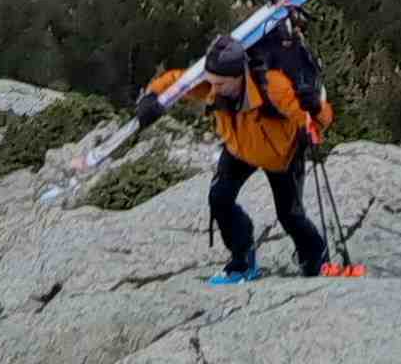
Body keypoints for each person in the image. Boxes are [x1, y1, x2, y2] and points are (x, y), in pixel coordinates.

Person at [136, 32, 333, 282]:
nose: (214, 89)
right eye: (211, 82)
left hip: (281, 156)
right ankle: (242, 262)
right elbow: (177, 80)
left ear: (239, 76)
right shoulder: (213, 83)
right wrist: (152, 96)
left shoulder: (274, 87)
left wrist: (315, 107)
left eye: (220, 84)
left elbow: (320, 121)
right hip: (239, 150)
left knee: (290, 216)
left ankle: (315, 259)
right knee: (219, 200)